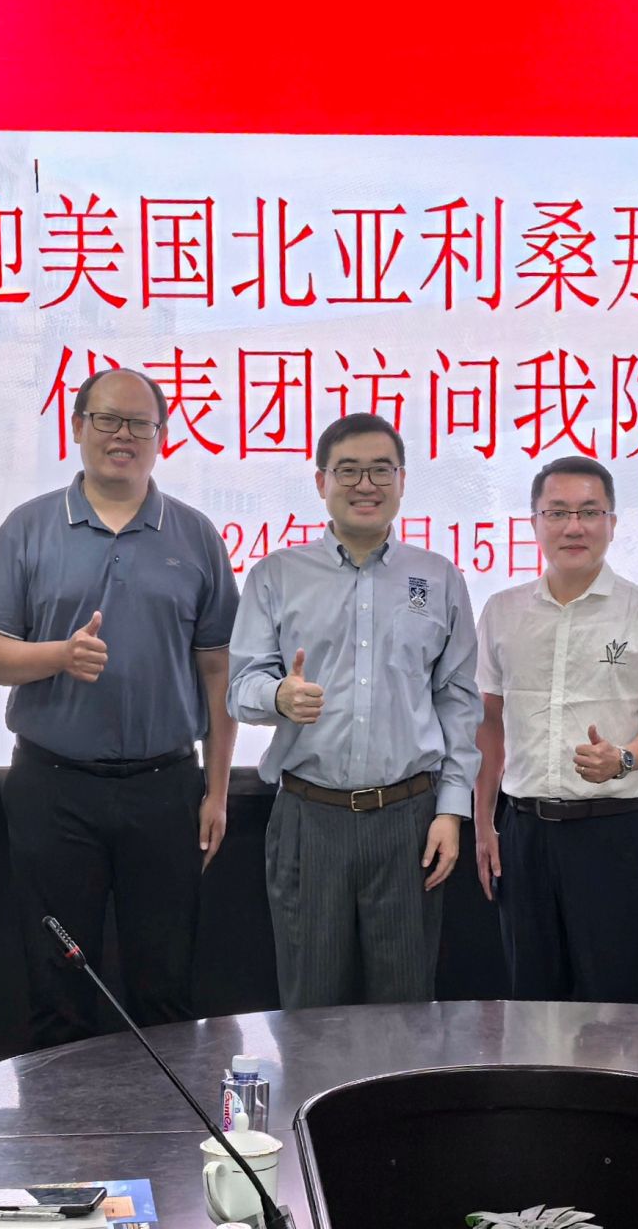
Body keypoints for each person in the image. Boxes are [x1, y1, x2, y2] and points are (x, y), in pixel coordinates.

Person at [0, 369, 239, 1048]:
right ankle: (61, 1120)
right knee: (58, 986)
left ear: (161, 436)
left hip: (165, 789)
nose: (124, 436)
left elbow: (218, 670)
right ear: (77, 427)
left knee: (165, 985)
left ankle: (170, 1119)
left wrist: (217, 790)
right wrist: (59, 655)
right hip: (54, 788)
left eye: (140, 423)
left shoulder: (194, 535)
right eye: (108, 419)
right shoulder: (30, 527)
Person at [228, 413, 480, 1008]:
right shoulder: (276, 575)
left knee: (405, 1007)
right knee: (311, 1007)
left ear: (402, 480)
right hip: (309, 817)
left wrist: (451, 810)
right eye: (348, 471)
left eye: (380, 470)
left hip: (408, 819)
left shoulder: (437, 578)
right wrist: (278, 696)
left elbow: (458, 700)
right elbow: (240, 686)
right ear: (321, 482)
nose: (365, 485)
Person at [471, 456, 638, 1001]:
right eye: (558, 512)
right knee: (530, 996)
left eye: (590, 512)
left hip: (610, 832)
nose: (574, 526)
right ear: (534, 522)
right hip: (524, 831)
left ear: (612, 523)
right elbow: (489, 726)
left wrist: (623, 758)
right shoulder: (502, 611)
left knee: (611, 999)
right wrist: (483, 825)